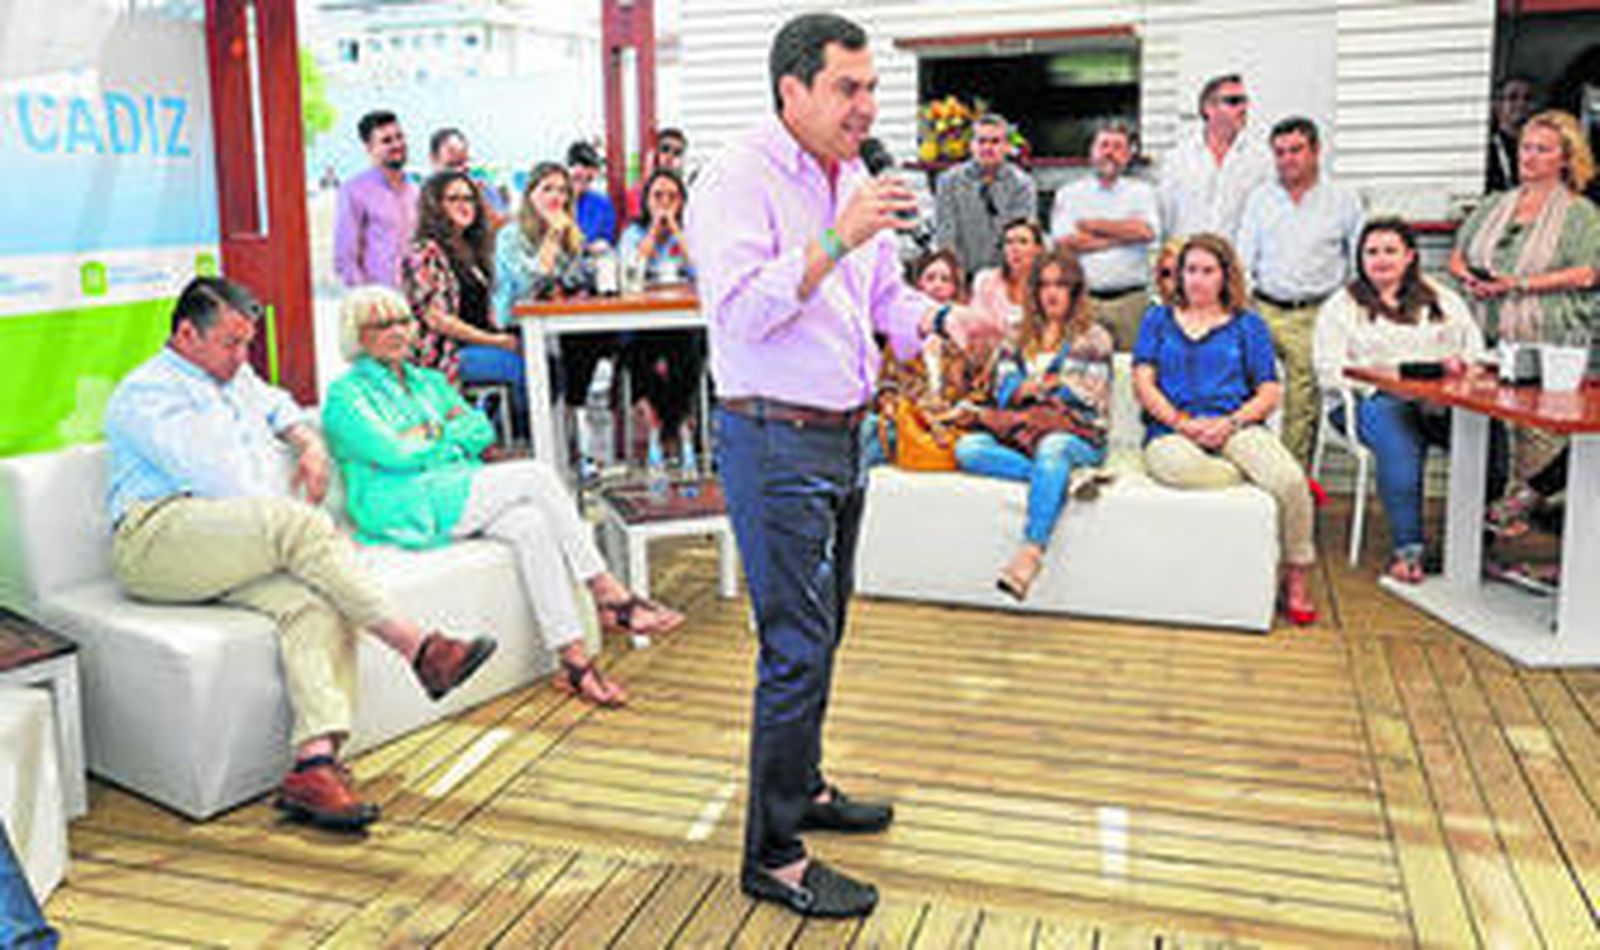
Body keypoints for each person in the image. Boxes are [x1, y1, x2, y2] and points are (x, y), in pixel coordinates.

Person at [686, 12, 996, 918]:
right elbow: (740, 314)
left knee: (825, 637)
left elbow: (885, 297)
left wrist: (947, 323)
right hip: (774, 435)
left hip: (843, 434)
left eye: (870, 88)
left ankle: (805, 789)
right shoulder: (736, 180)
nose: (867, 106)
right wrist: (837, 236)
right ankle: (773, 856)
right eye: (847, 88)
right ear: (793, 90)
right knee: (793, 649)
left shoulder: (850, 173)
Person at [103, 277, 496, 832]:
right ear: (186, 334)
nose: (243, 358)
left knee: (317, 604)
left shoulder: (233, 376)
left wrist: (307, 442)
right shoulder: (147, 393)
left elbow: (280, 406)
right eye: (231, 344)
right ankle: (420, 649)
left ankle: (314, 764)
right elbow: (218, 481)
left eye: (248, 345)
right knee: (297, 525)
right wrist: (310, 536)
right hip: (157, 540)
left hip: (226, 543)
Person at [322, 286, 683, 707]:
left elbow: (481, 431)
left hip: (452, 485)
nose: (399, 331)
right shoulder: (346, 396)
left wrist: (430, 435)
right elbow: (395, 454)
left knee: (531, 523)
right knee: (534, 476)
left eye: (403, 320)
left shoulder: (428, 381)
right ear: (356, 335)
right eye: (382, 324)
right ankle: (606, 591)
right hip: (401, 502)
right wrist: (446, 434)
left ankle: (574, 662)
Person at [1132, 234, 1318, 624]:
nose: (1197, 280)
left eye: (1207, 271)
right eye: (1190, 270)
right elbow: (1143, 383)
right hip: (1172, 429)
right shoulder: (1158, 318)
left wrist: (1230, 424)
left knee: (1288, 480)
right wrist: (1181, 422)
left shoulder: (1248, 323)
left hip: (1235, 425)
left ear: (1225, 275)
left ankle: (1297, 574)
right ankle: (1245, 474)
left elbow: (1270, 390)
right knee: (1178, 470)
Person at [1451, 109, 1600, 540]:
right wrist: (1472, 281)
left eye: (1542, 149)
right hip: (1489, 337)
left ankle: (1543, 544)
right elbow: (1460, 256)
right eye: (1525, 148)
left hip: (1549, 340)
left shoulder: (1580, 213)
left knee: (1541, 438)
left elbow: (1587, 272)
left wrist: (1518, 285)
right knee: (1489, 432)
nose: (1529, 157)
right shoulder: (1496, 204)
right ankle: (1482, 539)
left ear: (1566, 158)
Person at [1313, 218, 1486, 582]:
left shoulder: (1442, 299)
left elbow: (1474, 351)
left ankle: (1474, 543)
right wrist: (1392, 378)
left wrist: (1450, 371)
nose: (1380, 259)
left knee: (1487, 437)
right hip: (1364, 401)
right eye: (1371, 252)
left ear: (1409, 256)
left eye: (1390, 250)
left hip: (1437, 401)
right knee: (1401, 440)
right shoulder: (1342, 305)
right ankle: (1409, 549)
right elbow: (1328, 369)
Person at [953, 247, 1113, 600]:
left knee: (1053, 447)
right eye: (1044, 285)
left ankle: (1031, 552)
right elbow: (1004, 386)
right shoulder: (1016, 333)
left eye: (1061, 284)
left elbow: (1084, 396)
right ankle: (1060, 477)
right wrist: (1038, 387)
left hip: (1078, 436)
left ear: (1075, 291)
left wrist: (1033, 387)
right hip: (1025, 433)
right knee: (968, 449)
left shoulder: (1094, 336)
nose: (1052, 292)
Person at [1237, 116, 1365, 466]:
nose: (1287, 159)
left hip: (1316, 312)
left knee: (1303, 395)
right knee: (1242, 382)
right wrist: (1241, 312)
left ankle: (1292, 476)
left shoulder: (1343, 199)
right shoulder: (1260, 199)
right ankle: (1251, 464)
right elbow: (1243, 259)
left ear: (1316, 151)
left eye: (1296, 150)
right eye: (1279, 152)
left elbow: (1359, 260)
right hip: (1262, 307)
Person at [402, 172, 525, 431]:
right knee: (526, 369)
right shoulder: (425, 252)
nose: (464, 205)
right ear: (435, 205)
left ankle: (496, 432)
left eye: (469, 199)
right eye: (454, 199)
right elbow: (437, 319)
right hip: (446, 355)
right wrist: (495, 341)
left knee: (548, 359)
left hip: (479, 343)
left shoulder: (472, 248)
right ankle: (513, 439)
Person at [494, 162, 613, 416]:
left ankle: (571, 415)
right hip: (518, 324)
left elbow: (578, 278)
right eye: (547, 189)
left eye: (562, 191)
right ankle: (549, 426)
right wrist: (552, 238)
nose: (556, 197)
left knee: (597, 337)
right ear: (530, 195)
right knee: (571, 348)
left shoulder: (569, 233)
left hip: (559, 322)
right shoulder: (510, 235)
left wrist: (586, 270)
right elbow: (529, 284)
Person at [1050, 122, 1161, 350]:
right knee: (1081, 372)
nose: (1109, 152)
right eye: (1104, 145)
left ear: (1129, 155)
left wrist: (1092, 225)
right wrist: (1125, 234)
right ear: (1092, 151)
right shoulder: (1070, 193)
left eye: (1118, 147)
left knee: (1131, 368)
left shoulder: (1143, 192)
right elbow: (1065, 242)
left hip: (1131, 300)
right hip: (1083, 300)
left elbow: (1147, 232)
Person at [620, 168, 703, 457]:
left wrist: (677, 232)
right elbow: (631, 274)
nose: (665, 203)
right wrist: (655, 230)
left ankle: (677, 419)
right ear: (646, 200)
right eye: (658, 196)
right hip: (643, 318)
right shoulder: (633, 233)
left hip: (680, 317)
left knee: (690, 349)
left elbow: (701, 269)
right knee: (636, 349)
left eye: (672, 197)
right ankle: (657, 417)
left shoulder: (691, 230)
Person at [1158, 74, 1272, 241]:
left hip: (1237, 263)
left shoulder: (1262, 160)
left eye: (1245, 101)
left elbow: (1267, 219)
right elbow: (1164, 217)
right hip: (1189, 262)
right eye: (1233, 101)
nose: (1243, 108)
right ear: (1208, 107)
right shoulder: (1177, 160)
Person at [934, 114, 1037, 274]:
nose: (987, 148)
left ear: (1007, 146)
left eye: (995, 142)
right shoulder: (949, 182)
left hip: (1006, 277)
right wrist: (954, 275)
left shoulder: (1022, 184)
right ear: (971, 145)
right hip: (960, 275)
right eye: (981, 141)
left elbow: (1021, 237)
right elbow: (945, 234)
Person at [334, 111, 419, 289]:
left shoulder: (416, 189)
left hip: (418, 300)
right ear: (369, 148)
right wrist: (368, 300)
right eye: (386, 141)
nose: (397, 144)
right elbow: (345, 258)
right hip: (380, 304)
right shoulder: (354, 191)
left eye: (399, 137)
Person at [970, 218, 1045, 329]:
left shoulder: (1049, 284)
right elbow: (975, 326)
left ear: (1038, 249)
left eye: (1023, 242)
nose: (1015, 248)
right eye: (1009, 242)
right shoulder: (985, 281)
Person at [429, 127, 508, 225]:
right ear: (434, 160)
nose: (460, 171)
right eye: (451, 166)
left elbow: (503, 223)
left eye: (463, 163)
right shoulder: (423, 196)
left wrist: (481, 200)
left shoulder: (483, 186)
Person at [626, 128, 689, 222]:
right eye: (665, 149)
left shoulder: (686, 191)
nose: (670, 156)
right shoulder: (638, 190)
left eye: (677, 152)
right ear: (656, 152)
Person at [1487, 76, 1535, 193]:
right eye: (1513, 97)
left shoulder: (1542, 150)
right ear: (1498, 106)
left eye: (1527, 98)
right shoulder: (1487, 150)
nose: (1521, 104)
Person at [568, 141, 618, 246]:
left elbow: (606, 240)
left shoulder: (602, 203)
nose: (583, 183)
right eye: (577, 178)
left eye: (589, 179)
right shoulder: (555, 199)